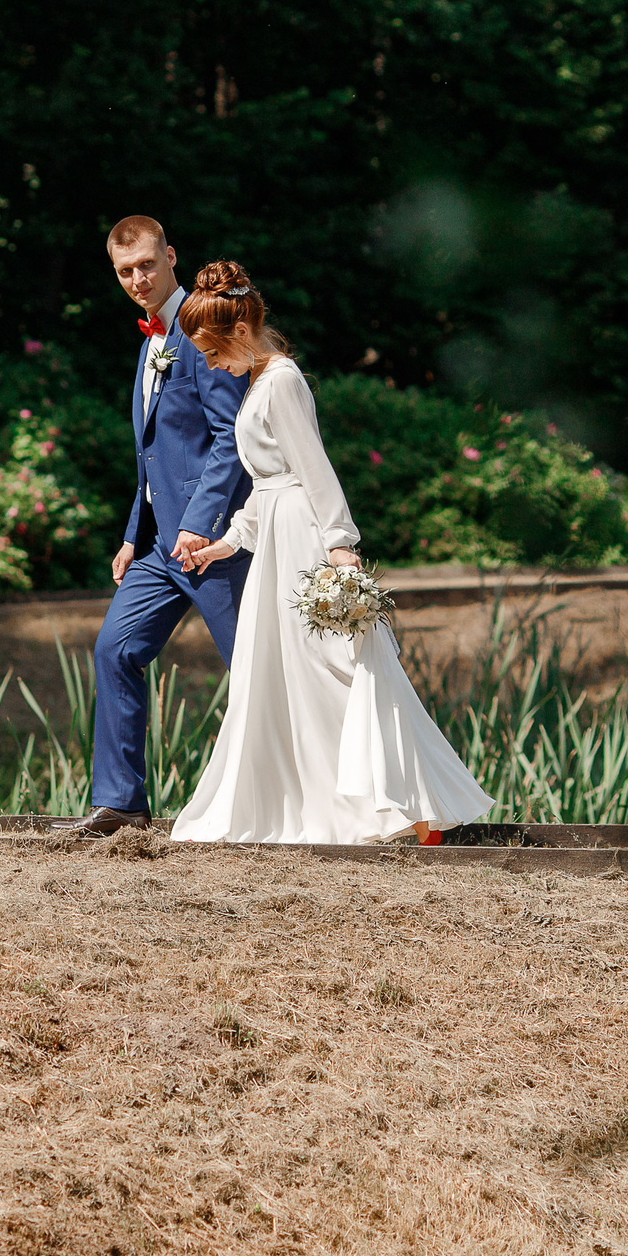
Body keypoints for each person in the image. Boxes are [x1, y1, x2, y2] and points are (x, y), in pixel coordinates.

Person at [167, 261, 494, 845]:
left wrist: (340, 547)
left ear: (239, 331)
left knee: (329, 667)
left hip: (302, 542)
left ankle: (396, 810)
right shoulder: (258, 381)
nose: (211, 366)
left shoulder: (282, 381)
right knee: (284, 676)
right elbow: (267, 483)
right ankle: (322, 806)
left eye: (213, 353)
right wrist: (226, 544)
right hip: (274, 541)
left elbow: (312, 471)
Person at [49, 217, 252, 838]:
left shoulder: (201, 328)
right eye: (124, 271)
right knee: (115, 650)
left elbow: (230, 438)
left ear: (170, 256)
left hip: (214, 543)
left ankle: (312, 801)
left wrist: (199, 525)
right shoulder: (150, 341)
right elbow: (155, 453)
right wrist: (133, 534)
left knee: (255, 668)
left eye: (146, 265)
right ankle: (120, 806)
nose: (137, 279)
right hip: (160, 547)